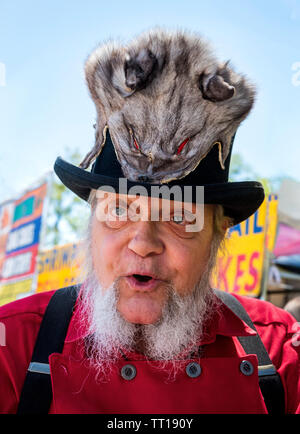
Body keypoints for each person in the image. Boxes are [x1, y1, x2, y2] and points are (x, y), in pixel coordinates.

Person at [0, 28, 299, 414]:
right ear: (91, 222)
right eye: (119, 211)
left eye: (179, 217)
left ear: (218, 233)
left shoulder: (279, 352)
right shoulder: (14, 347)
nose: (142, 242)